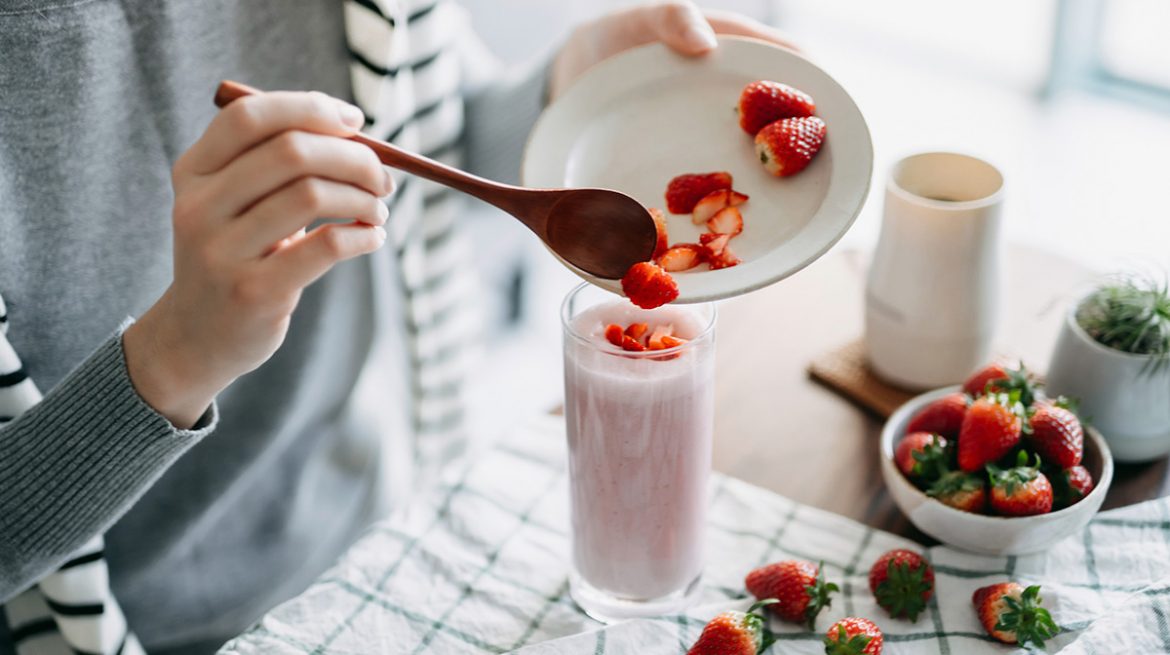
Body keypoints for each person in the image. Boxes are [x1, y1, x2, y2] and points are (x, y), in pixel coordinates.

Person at [0, 1, 793, 652]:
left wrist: (562, 90)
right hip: (147, 624)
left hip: (385, 522)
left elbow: (422, 133)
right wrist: (177, 353)